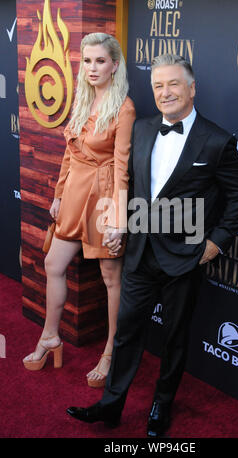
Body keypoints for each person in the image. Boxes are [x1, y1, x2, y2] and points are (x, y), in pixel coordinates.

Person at [66, 54, 238, 436]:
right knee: (126, 332)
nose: (165, 92)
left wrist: (216, 243)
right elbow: (132, 184)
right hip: (140, 252)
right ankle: (111, 405)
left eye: (173, 84)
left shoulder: (217, 140)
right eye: (158, 86)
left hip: (185, 258)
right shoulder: (143, 128)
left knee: (174, 338)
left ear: (192, 88)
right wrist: (122, 222)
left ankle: (160, 407)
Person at [23, 33, 136, 389]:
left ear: (115, 65)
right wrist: (58, 194)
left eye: (100, 61)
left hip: (102, 195)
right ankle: (50, 337)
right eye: (86, 61)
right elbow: (70, 153)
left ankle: (111, 351)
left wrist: (119, 218)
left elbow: (122, 166)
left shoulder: (124, 107)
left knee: (111, 279)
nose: (92, 68)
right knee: (53, 264)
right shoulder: (83, 98)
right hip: (73, 194)